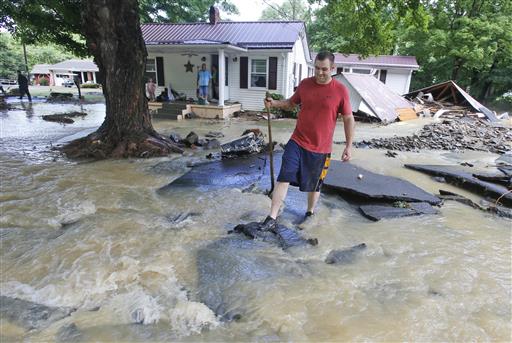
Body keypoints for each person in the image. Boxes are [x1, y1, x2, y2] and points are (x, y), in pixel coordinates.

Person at [260, 51, 355, 230]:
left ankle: (309, 212)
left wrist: (348, 146)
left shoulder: (340, 90)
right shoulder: (305, 85)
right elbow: (291, 103)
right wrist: (274, 104)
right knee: (284, 175)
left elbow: (349, 119)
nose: (319, 73)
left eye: (324, 69)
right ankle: (271, 217)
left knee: (314, 185)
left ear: (332, 68)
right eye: (317, 69)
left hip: (321, 147)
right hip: (298, 140)